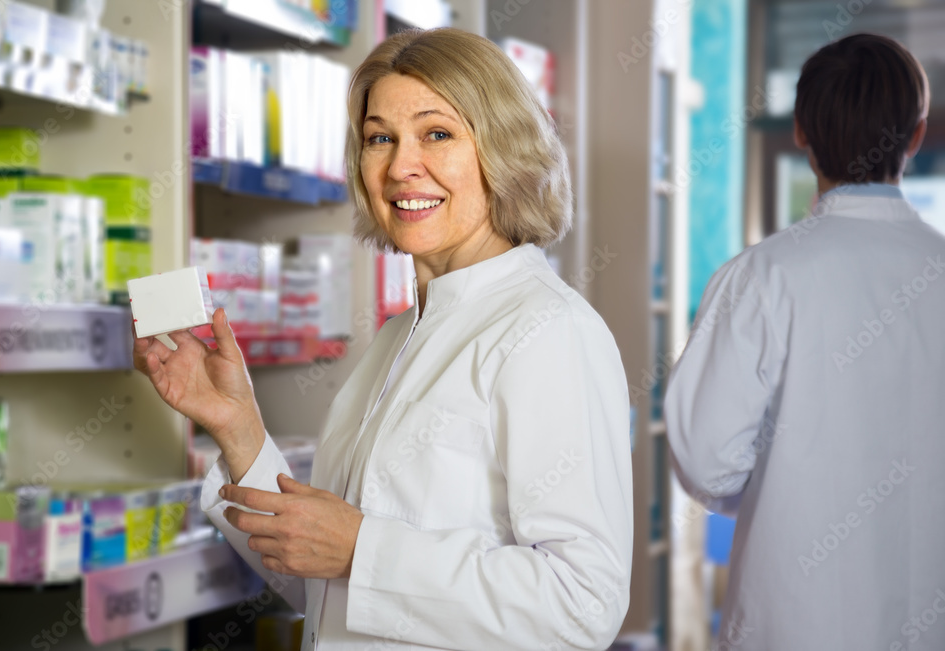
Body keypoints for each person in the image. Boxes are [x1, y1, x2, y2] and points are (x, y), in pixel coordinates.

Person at [134, 28, 633, 650]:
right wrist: (237, 427)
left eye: (437, 134)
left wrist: (363, 550)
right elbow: (325, 586)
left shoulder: (549, 331)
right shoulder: (400, 336)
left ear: (503, 148)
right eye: (380, 138)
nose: (400, 167)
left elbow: (583, 604)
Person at [665, 33, 945, 650]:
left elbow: (707, 461)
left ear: (800, 132)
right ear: (917, 136)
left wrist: (780, 484)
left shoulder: (761, 278)